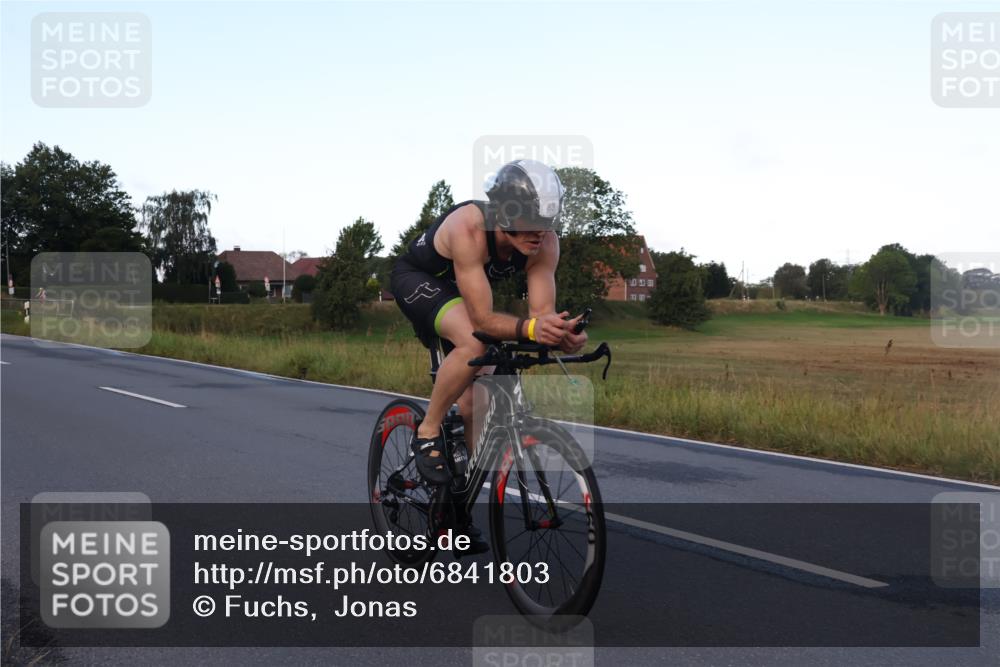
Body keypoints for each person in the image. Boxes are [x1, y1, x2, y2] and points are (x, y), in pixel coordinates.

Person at [390, 159, 588, 503]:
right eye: (530, 222)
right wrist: (531, 329)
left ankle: (458, 501)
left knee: (476, 402)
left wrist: (558, 334)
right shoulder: (469, 227)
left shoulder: (545, 243)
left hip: (467, 294)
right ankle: (427, 429)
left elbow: (540, 314)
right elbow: (482, 322)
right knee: (475, 343)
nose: (539, 232)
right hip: (421, 282)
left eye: (547, 222)